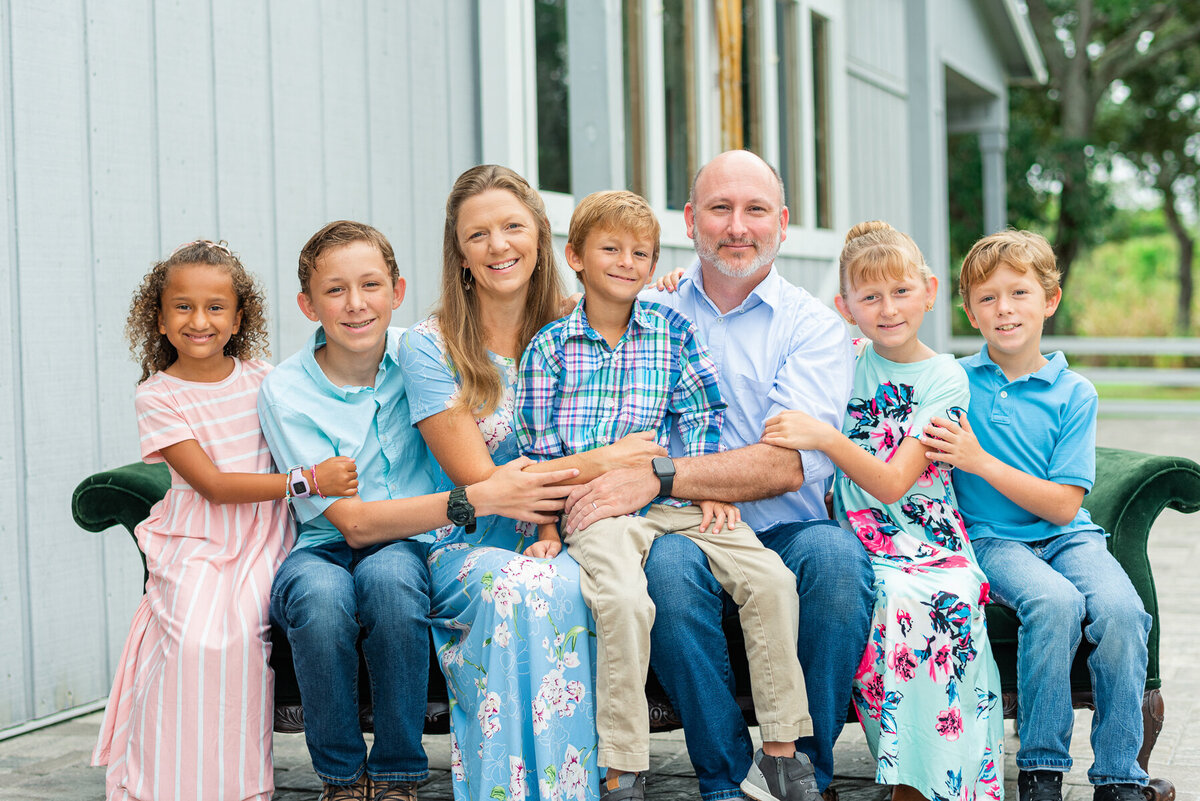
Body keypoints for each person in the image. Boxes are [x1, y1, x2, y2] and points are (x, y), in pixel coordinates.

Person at [561, 150, 873, 801]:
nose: (738, 226)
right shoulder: (649, 308)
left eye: (755, 209)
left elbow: (787, 464)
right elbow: (572, 334)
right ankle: (728, 779)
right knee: (669, 569)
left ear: (782, 223)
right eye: (720, 209)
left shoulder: (813, 326)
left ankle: (800, 778)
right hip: (683, 532)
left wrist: (662, 473)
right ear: (690, 219)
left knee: (837, 558)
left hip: (785, 530)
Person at [257, 220, 577, 801]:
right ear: (307, 305)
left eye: (371, 285)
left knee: (394, 584)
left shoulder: (420, 355)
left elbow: (517, 314)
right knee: (321, 601)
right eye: (335, 290)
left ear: (398, 291)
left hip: (407, 545)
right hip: (322, 544)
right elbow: (349, 523)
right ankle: (340, 776)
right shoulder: (286, 389)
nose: (356, 305)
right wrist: (468, 500)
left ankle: (399, 771)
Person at [516, 190, 818, 801]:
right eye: (610, 249)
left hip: (673, 500)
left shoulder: (671, 329)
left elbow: (702, 410)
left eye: (641, 254)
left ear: (655, 266)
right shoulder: (550, 348)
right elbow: (540, 456)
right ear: (574, 256)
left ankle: (782, 755)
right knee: (625, 601)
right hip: (597, 511)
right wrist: (547, 533)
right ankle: (624, 766)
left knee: (772, 581)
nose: (627, 262)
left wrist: (703, 482)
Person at [397, 166, 662, 801]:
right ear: (459, 253)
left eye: (513, 227)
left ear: (541, 238)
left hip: (574, 536)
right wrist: (608, 458)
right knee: (521, 586)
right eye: (478, 234)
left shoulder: (583, 323)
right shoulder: (429, 347)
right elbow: (485, 481)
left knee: (569, 582)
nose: (498, 246)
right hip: (469, 545)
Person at [93, 239, 359, 801]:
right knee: (192, 638)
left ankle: (235, 787)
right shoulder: (158, 395)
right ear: (159, 319)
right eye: (183, 306)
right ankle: (163, 780)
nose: (200, 320)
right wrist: (309, 479)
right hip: (197, 535)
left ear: (239, 318)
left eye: (216, 307)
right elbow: (211, 486)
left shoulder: (265, 379)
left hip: (263, 537)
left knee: (237, 636)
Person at [761, 221, 1004, 800]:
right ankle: (904, 774)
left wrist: (825, 436)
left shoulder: (945, 378)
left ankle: (936, 781)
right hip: (860, 538)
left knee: (933, 599)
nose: (887, 308)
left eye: (900, 292)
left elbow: (895, 482)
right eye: (869, 297)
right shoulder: (845, 359)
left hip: (929, 536)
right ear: (845, 307)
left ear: (928, 290)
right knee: (884, 599)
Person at [923, 229, 1151, 801]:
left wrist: (978, 460)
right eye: (987, 298)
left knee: (1123, 611)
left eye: (1019, 293)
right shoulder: (952, 380)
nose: (1005, 309)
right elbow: (887, 357)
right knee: (1054, 603)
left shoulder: (1075, 392)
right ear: (970, 313)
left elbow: (1063, 504)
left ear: (1049, 301)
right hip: (991, 539)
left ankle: (1120, 775)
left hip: (1068, 537)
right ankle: (1043, 768)